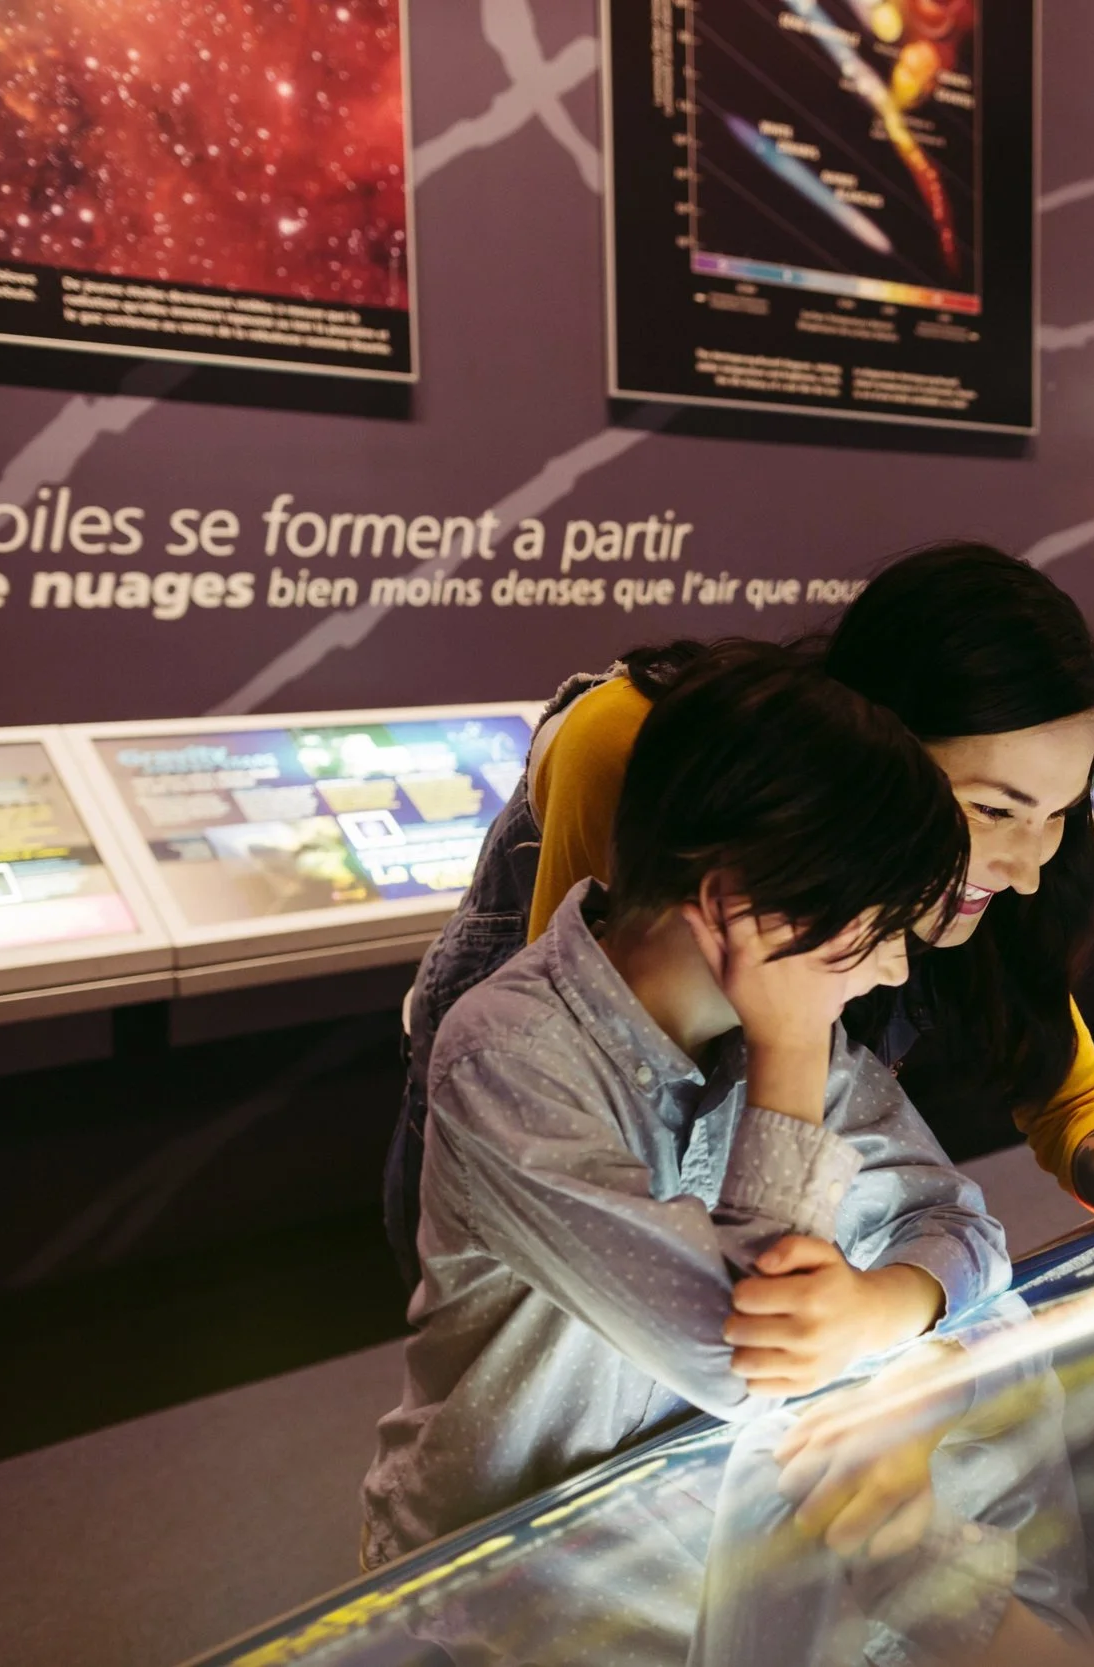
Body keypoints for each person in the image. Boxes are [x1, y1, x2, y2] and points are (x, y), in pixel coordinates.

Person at [382, 544, 1094, 1288]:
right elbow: (601, 1096)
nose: (1027, 872)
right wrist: (796, 1051)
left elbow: (1041, 1058)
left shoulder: (996, 870)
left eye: (1059, 812)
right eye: (991, 810)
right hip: (565, 1113)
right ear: (875, 749)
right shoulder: (631, 750)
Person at [361, 643, 1010, 1568]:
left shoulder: (787, 1035)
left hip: (670, 1537)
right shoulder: (508, 1056)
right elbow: (742, 1362)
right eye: (878, 923)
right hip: (488, 1574)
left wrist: (880, 1303)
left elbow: (962, 1225)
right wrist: (791, 1047)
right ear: (739, 905)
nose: (896, 966)